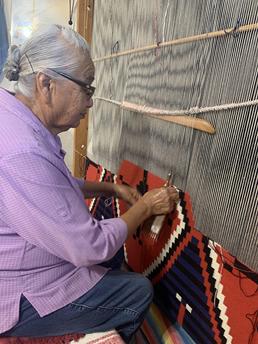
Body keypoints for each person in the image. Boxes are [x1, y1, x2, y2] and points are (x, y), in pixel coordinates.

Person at [0, 24, 179, 343]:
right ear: (46, 84)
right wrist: (146, 206)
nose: (90, 103)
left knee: (111, 256)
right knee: (136, 292)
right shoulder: (22, 151)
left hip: (18, 260)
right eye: (87, 88)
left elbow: (50, 187)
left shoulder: (11, 113)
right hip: (18, 293)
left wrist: (110, 188)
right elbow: (88, 247)